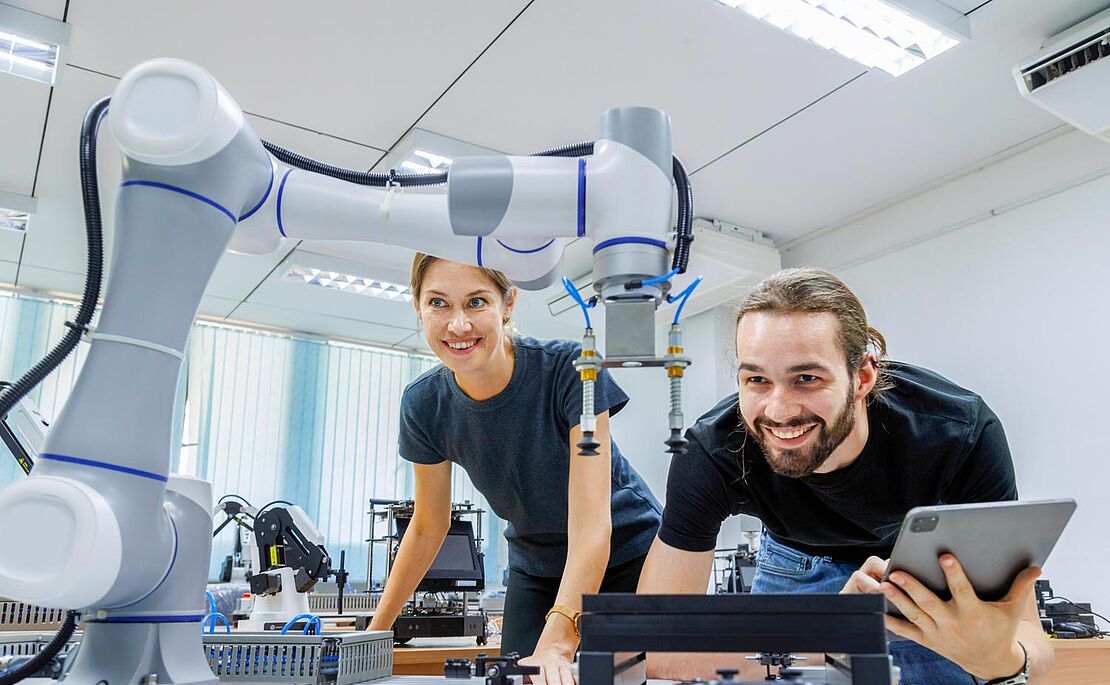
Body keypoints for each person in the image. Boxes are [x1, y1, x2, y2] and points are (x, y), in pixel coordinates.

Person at [637, 268, 1052, 684]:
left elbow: (1029, 637)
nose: (778, 411)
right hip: (791, 560)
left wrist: (998, 663)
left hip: (914, 568)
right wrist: (831, 635)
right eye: (757, 379)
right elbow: (651, 647)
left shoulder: (959, 432)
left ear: (863, 377)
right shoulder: (713, 450)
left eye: (807, 378)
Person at [368, 254, 662, 685]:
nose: (458, 325)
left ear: (508, 304)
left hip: (627, 552)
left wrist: (561, 637)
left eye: (476, 302)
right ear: (417, 305)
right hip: (536, 564)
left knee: (616, 678)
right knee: (517, 679)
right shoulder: (424, 404)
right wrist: (376, 633)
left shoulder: (571, 369)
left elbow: (591, 525)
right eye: (438, 304)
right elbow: (429, 525)